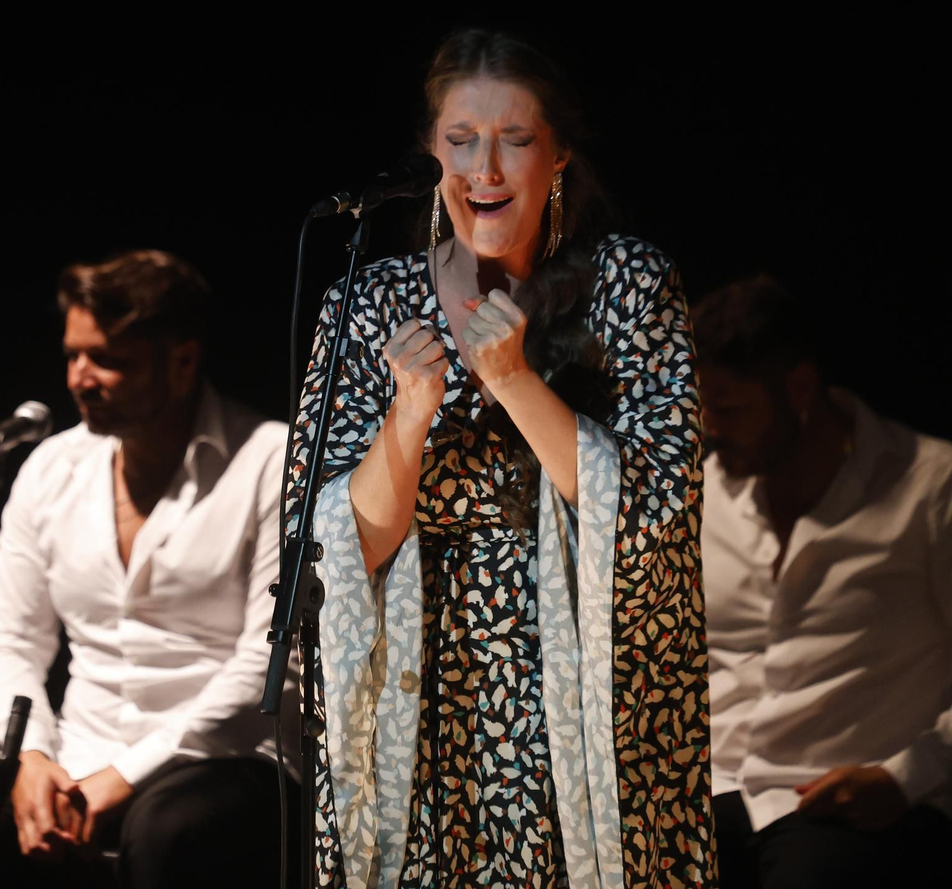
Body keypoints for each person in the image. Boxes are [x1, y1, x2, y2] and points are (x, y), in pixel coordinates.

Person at [284, 29, 713, 889]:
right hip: (419, 705)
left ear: (558, 155)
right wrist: (407, 418)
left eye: (514, 140)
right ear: (430, 154)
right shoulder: (367, 301)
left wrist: (514, 380)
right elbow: (328, 549)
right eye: (460, 140)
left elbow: (657, 520)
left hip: (587, 707)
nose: (484, 168)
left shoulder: (627, 285)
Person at [0, 249, 298, 888]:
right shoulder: (52, 467)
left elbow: (268, 665)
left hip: (224, 759)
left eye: (108, 360)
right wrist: (29, 759)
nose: (81, 379)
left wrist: (125, 775)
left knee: (166, 834)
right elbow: (5, 639)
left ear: (183, 360)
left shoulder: (271, 463)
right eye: (73, 356)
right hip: (77, 754)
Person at [695, 275, 951, 888]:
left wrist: (904, 778)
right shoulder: (707, 492)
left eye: (728, 409)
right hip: (711, 786)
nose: (707, 427)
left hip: (845, 797)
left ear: (801, 389)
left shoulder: (931, 489)